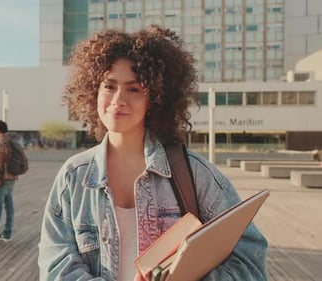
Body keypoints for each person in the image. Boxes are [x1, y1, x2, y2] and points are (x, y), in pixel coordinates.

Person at [38, 25, 268, 281]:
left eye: (134, 89)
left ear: (155, 98)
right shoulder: (73, 177)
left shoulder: (193, 173)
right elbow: (55, 268)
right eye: (109, 86)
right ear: (94, 90)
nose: (118, 100)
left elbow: (250, 262)